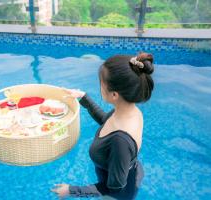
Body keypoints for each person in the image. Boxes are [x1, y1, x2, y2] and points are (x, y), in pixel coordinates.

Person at [51, 52, 154, 199]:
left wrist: (72, 190)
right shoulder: (130, 111)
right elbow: (107, 121)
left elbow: (114, 188)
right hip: (130, 171)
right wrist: (83, 98)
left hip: (118, 195)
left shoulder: (120, 141)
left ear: (114, 95)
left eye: (101, 83)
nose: (100, 86)